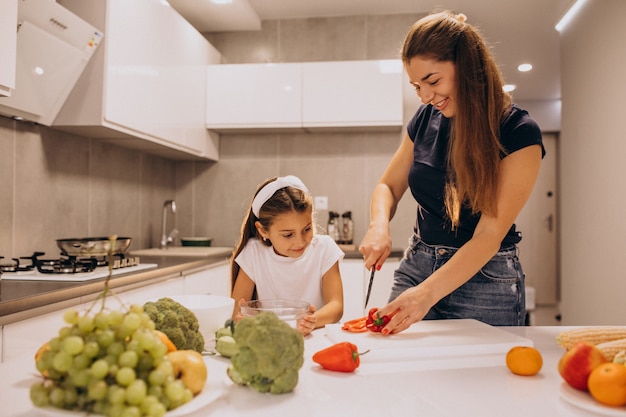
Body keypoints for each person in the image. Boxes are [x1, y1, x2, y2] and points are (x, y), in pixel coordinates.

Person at [358, 11, 545, 334]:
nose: (426, 96)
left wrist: (426, 295)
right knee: (397, 373)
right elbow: (388, 185)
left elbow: (488, 235)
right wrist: (379, 226)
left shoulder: (518, 133)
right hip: (418, 265)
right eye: (417, 86)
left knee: (482, 382)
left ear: (468, 67)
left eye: (433, 81)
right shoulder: (424, 119)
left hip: (486, 278)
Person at [230, 175, 344, 336]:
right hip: (269, 339)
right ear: (263, 230)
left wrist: (312, 321)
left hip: (316, 337)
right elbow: (236, 307)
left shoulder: (324, 248)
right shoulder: (254, 253)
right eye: (288, 235)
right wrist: (241, 318)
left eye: (307, 229)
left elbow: (336, 306)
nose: (300, 242)